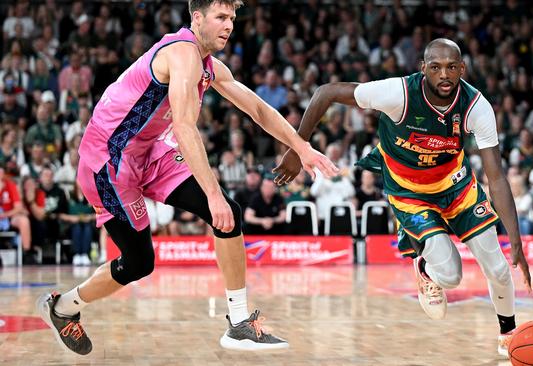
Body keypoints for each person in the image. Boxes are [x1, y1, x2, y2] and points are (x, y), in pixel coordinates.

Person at [36, 0, 338, 355]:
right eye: (221, 17)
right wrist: (212, 192)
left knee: (229, 213)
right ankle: (64, 307)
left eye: (233, 18)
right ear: (197, 18)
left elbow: (257, 108)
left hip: (149, 153)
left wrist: (302, 148)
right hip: (108, 161)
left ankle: (239, 323)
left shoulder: (209, 65)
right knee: (139, 263)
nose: (229, 25)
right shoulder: (181, 52)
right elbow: (182, 124)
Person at [273, 39, 531, 358]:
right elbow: (326, 92)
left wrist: (515, 239)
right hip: (410, 193)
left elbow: (496, 176)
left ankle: (508, 333)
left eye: (452, 67)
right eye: (435, 67)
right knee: (451, 276)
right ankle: (423, 267)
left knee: (499, 267)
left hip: (457, 187)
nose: (444, 74)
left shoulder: (477, 106)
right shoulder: (398, 94)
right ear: (422, 69)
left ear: (462, 69)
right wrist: (300, 149)